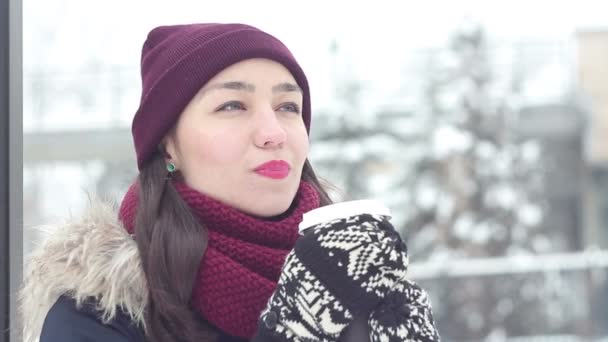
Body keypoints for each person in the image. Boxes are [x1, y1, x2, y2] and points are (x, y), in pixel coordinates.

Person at [19, 23, 440, 342]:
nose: (272, 131)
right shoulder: (98, 312)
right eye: (233, 105)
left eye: (288, 106)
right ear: (167, 145)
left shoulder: (352, 278)